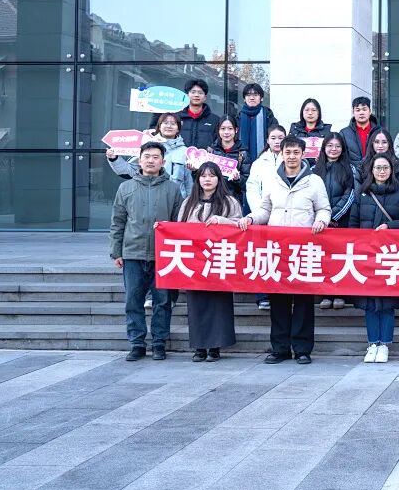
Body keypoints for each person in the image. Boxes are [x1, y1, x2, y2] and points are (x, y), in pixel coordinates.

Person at [238, 136, 331, 365]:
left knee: (303, 301)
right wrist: (251, 218)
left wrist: (321, 220)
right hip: (277, 249)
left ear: (303, 154)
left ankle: (302, 349)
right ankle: (280, 348)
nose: (291, 157)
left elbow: (324, 208)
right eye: (287, 152)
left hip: (303, 249)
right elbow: (265, 210)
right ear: (282, 154)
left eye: (296, 152)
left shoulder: (314, 181)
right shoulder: (272, 180)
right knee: (278, 300)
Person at [109, 142, 184, 361]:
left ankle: (159, 343)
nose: (151, 160)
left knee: (162, 301)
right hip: (132, 253)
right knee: (133, 300)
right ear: (139, 160)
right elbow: (117, 222)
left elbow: (179, 222)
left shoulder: (172, 189)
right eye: (147, 156)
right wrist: (116, 251)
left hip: (163, 255)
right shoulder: (126, 188)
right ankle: (137, 343)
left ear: (163, 161)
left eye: (155, 157)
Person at [350, 152, 399, 363]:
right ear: (371, 170)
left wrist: (390, 226)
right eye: (378, 168)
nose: (381, 171)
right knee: (370, 302)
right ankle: (372, 344)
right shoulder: (362, 193)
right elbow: (353, 224)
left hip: (391, 256)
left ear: (391, 171)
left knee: (387, 302)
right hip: (367, 255)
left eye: (385, 168)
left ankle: (385, 344)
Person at [178, 162, 242, 362]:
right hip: (195, 262)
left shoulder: (230, 202)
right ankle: (199, 347)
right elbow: (179, 229)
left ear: (219, 179)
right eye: (203, 176)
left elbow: (239, 227)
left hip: (219, 260)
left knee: (218, 305)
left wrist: (222, 221)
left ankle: (215, 347)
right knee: (196, 305)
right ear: (198, 179)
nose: (207, 179)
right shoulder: (188, 202)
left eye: (212, 176)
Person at [313, 132, 359, 311]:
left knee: (340, 258)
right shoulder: (314, 169)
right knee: (324, 258)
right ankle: (326, 294)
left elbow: (351, 194)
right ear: (324, 148)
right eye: (330, 146)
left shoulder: (350, 169)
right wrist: (322, 217)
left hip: (342, 221)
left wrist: (333, 216)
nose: (334, 149)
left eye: (338, 146)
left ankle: (340, 294)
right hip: (320, 222)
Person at [246, 124, 286, 311]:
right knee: (263, 255)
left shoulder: (292, 159)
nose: (277, 142)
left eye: (280, 138)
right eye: (273, 138)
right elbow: (252, 188)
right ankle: (262, 295)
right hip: (262, 215)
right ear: (267, 140)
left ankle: (283, 293)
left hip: (284, 216)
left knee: (282, 255)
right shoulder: (259, 163)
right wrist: (259, 212)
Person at [108, 112, 193, 199]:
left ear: (178, 128)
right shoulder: (147, 146)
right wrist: (114, 159)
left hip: (176, 201)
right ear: (159, 127)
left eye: (173, 123)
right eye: (165, 123)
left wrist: (188, 203)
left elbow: (188, 182)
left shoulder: (185, 151)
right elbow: (129, 171)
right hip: (149, 199)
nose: (169, 126)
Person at [149, 78, 220, 149]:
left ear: (205, 97)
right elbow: (156, 132)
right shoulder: (175, 117)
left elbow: (219, 143)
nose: (196, 95)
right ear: (187, 95)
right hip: (176, 155)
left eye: (200, 93)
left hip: (205, 156)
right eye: (193, 92)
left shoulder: (215, 120)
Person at [210, 115, 252, 206]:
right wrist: (195, 170)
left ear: (236, 130)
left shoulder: (243, 153)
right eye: (223, 129)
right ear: (218, 130)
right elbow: (202, 176)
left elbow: (248, 183)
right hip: (212, 198)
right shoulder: (211, 151)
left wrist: (238, 179)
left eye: (230, 128)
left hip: (233, 201)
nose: (226, 132)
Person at [236, 82, 277, 157]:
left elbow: (275, 140)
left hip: (265, 159)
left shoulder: (269, 117)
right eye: (248, 95)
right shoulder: (238, 118)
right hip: (240, 160)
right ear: (244, 99)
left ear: (261, 98)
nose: (252, 98)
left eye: (255, 95)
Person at [341, 96, 379, 171]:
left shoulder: (379, 132)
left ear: (370, 111)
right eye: (358, 110)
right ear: (353, 112)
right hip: (352, 173)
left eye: (364, 109)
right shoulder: (344, 134)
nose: (361, 113)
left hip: (376, 172)